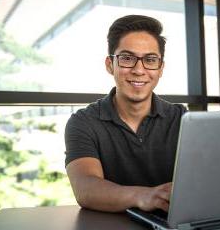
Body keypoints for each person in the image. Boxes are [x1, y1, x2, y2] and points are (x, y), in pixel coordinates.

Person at [65, 15, 186, 213]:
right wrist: (144, 196)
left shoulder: (181, 119)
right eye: (127, 58)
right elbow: (85, 188)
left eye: (150, 60)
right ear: (109, 64)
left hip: (172, 228)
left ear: (161, 68)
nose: (139, 70)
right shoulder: (83, 122)